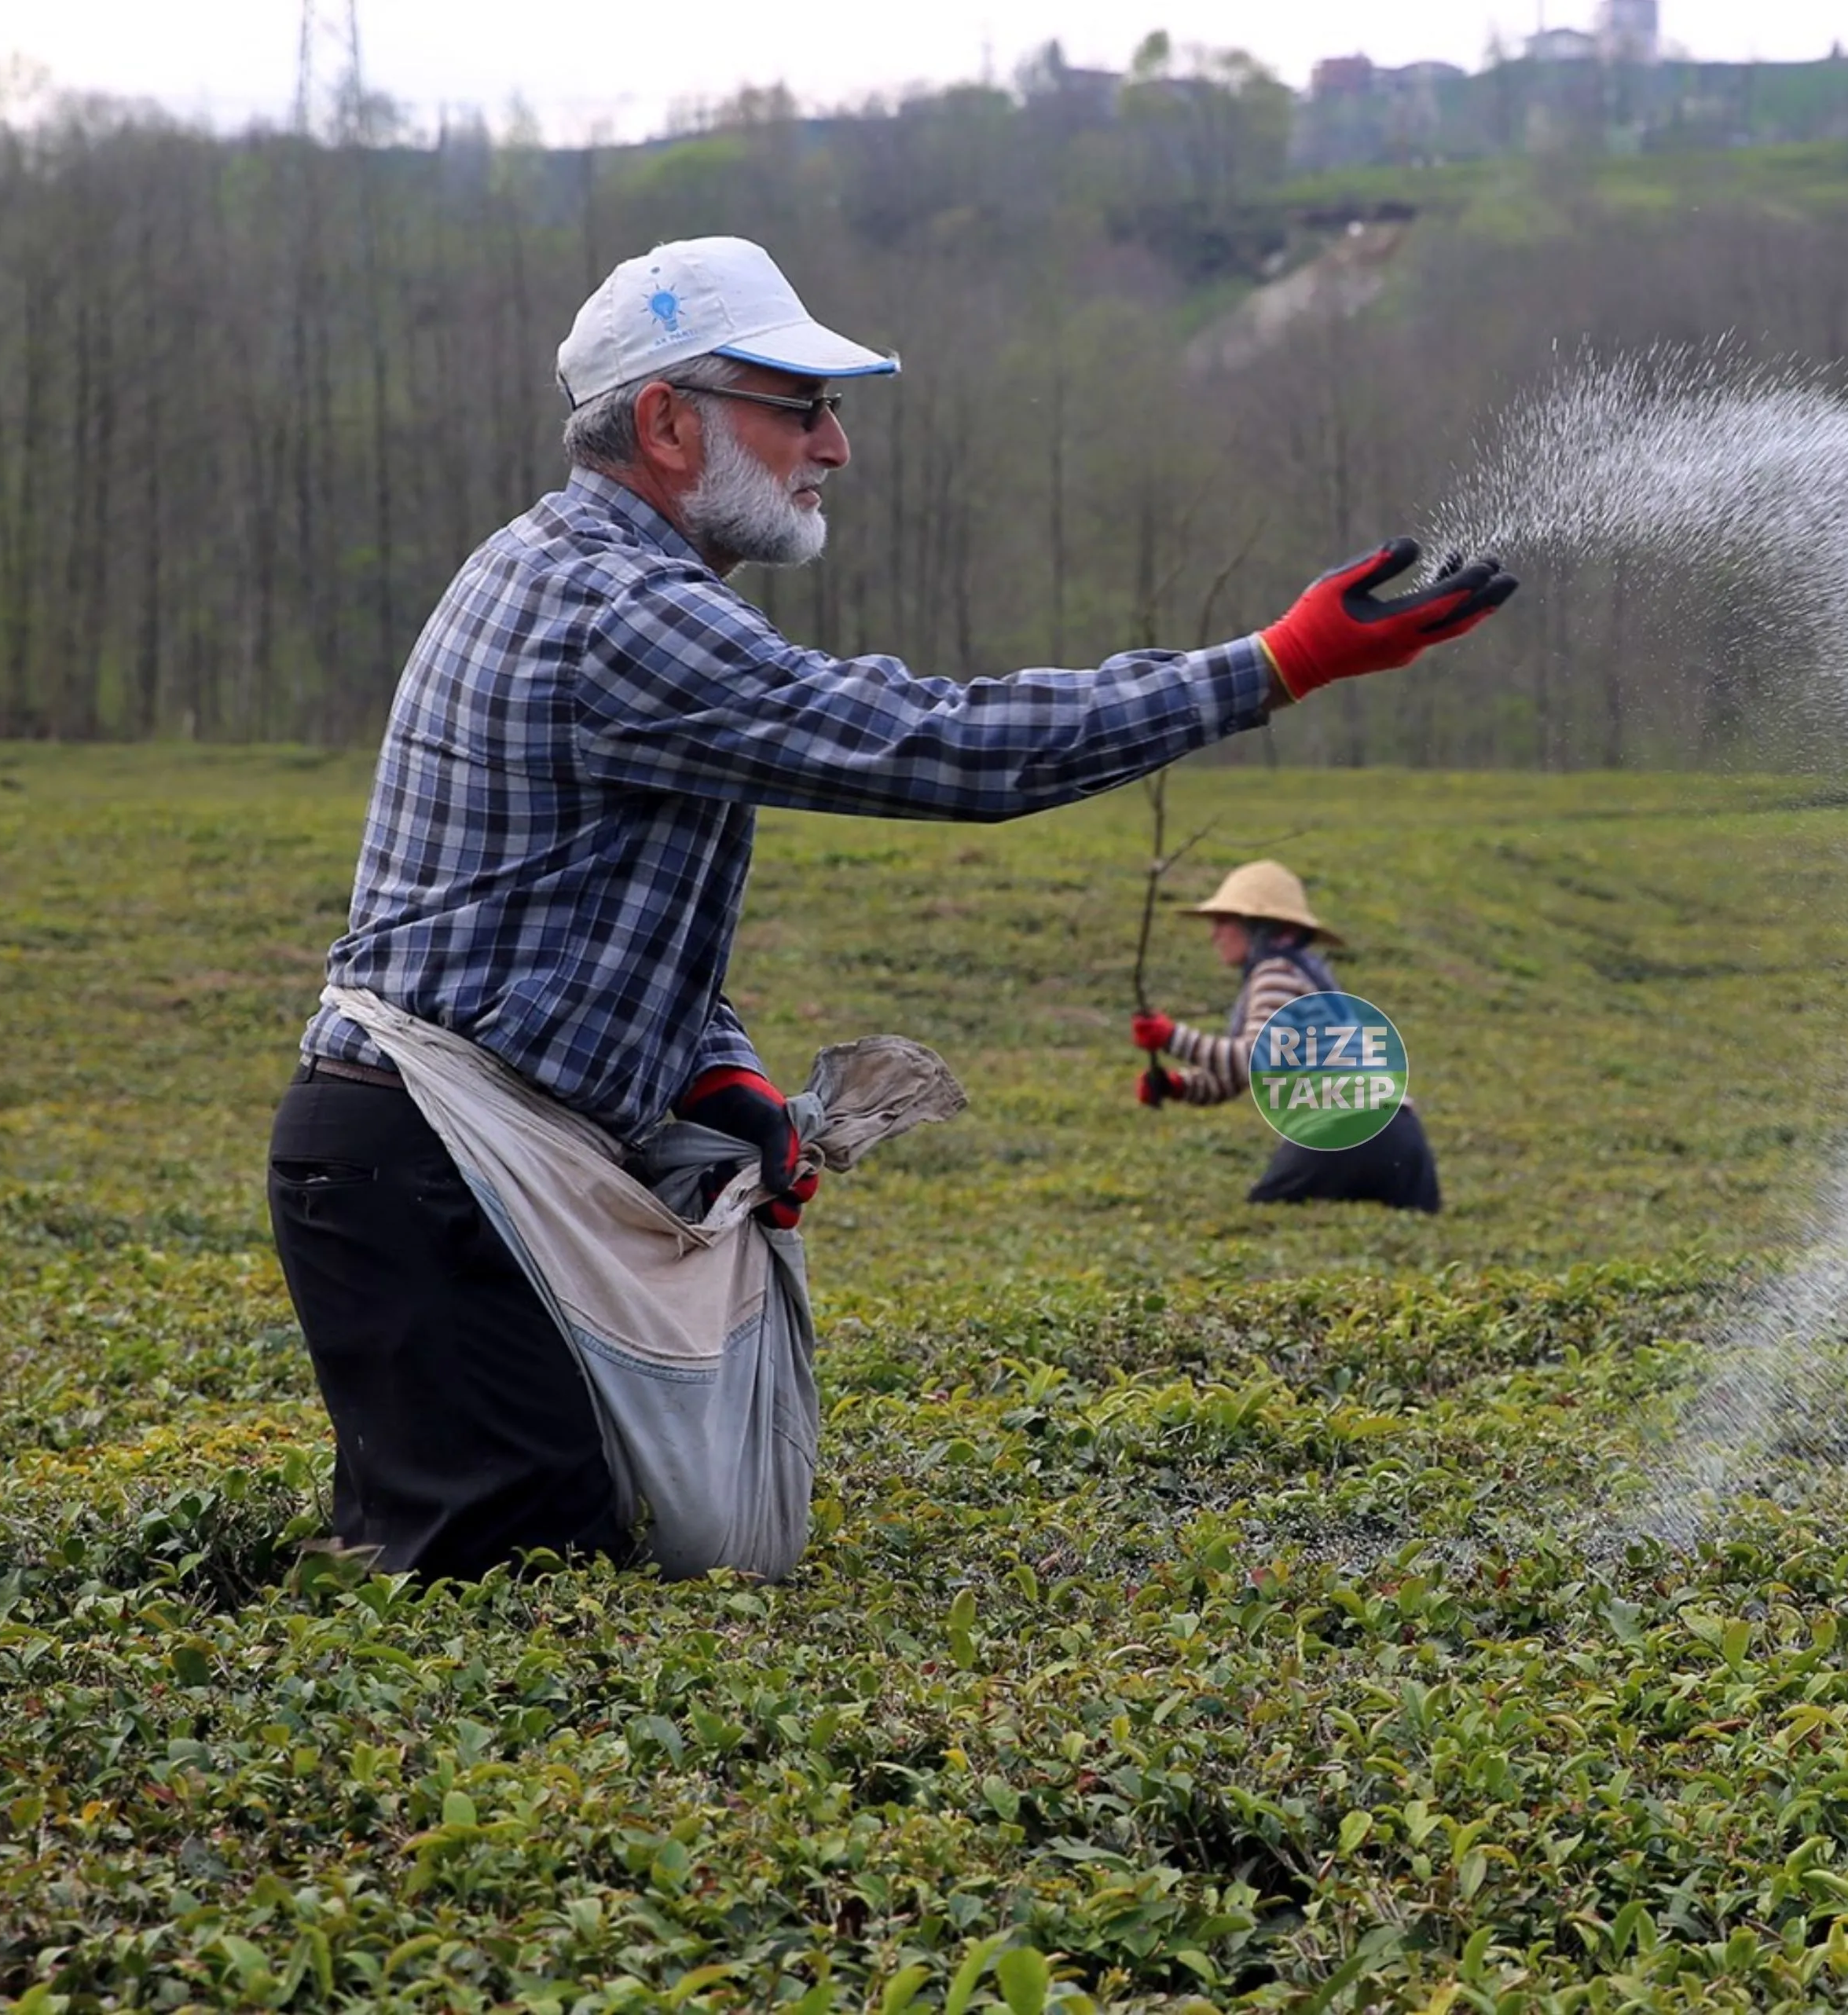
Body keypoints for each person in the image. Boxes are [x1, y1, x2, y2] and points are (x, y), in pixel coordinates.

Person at [269, 236, 1515, 1577]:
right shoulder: (612, 610)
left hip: (437, 1164)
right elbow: (934, 743)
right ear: (668, 423)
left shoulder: (593, 578)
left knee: (563, 1573)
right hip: (433, 1177)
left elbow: (577, 912)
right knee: (521, 1599)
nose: (835, 448)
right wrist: (1270, 666)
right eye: (798, 408)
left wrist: (713, 1068)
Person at [1128, 860, 1442, 1214]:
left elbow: (1252, 1060)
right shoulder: (1300, 973)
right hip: (1400, 1136)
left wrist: (1171, 1037)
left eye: (1223, 922)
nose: (1213, 934)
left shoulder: (1276, 973)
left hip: (1340, 1126)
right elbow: (1237, 1075)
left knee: (1262, 1221)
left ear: (1257, 927)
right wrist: (1177, 1086)